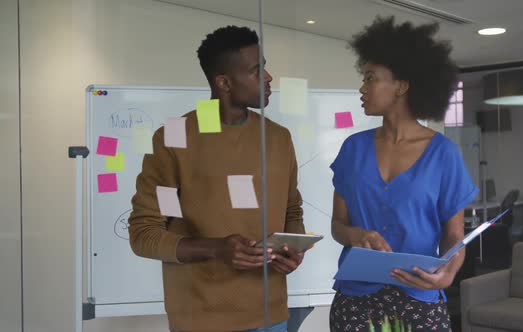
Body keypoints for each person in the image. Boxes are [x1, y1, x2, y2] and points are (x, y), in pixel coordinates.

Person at [128, 25, 306, 332]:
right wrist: (217, 248)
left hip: (271, 316)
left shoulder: (277, 137)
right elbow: (145, 234)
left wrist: (293, 251)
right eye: (256, 70)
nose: (267, 77)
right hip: (201, 319)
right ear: (224, 82)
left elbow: (292, 211)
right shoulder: (174, 137)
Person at [329, 16, 478, 332]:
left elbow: (454, 235)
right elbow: (338, 225)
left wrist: (449, 273)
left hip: (419, 295)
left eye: (371, 78)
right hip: (355, 298)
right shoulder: (352, 149)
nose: (362, 87)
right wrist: (356, 235)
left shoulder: (443, 154)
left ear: (402, 86)